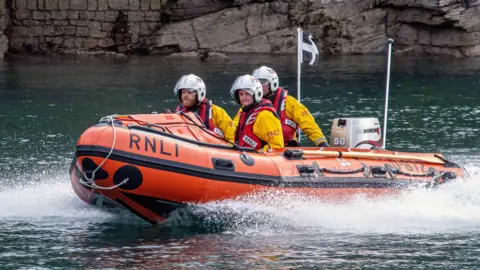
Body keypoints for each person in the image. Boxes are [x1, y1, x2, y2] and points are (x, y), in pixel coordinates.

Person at [252, 66, 330, 147]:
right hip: (258, 149)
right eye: (256, 83)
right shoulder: (249, 104)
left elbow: (309, 124)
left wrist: (322, 143)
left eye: (263, 82)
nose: (259, 86)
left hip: (286, 150)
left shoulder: (290, 103)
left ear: (273, 83)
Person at [174, 74, 235, 143]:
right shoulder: (177, 113)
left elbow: (232, 138)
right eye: (183, 92)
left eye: (189, 92)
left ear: (200, 93)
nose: (185, 95)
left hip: (213, 150)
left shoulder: (216, 112)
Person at [230, 74, 284, 150]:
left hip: (258, 159)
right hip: (244, 155)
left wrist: (259, 153)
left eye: (247, 94)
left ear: (257, 94)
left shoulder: (265, 115)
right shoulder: (245, 112)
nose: (244, 97)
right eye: (241, 94)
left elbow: (277, 146)